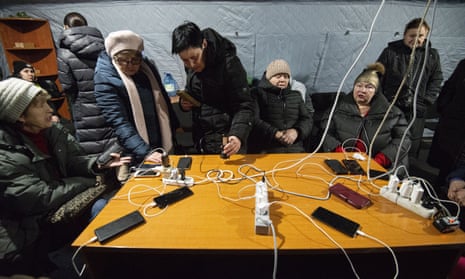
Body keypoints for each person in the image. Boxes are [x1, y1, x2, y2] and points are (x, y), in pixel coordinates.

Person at [0, 78, 131, 276]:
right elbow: (39, 197)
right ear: (20, 116)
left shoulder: (50, 131)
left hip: (60, 213)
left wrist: (95, 165)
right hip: (29, 236)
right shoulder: (5, 154)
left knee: (110, 209)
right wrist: (87, 182)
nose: (49, 109)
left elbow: (73, 161)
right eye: (40, 105)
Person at [94, 30, 179, 165]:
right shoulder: (105, 77)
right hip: (133, 148)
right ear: (114, 58)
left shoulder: (147, 68)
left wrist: (174, 125)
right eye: (123, 61)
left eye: (135, 60)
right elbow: (118, 121)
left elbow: (161, 96)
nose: (130, 66)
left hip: (158, 138)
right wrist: (145, 151)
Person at [171, 21, 254, 156]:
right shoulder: (191, 66)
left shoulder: (229, 65)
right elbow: (192, 90)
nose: (191, 64)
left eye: (194, 57)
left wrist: (237, 135)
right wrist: (185, 103)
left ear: (204, 44)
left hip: (227, 139)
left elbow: (244, 105)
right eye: (185, 60)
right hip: (202, 138)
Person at [321, 62, 411, 170]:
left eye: (369, 87)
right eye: (359, 86)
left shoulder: (393, 114)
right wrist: (340, 152)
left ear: (376, 92)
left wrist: (380, 160)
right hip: (343, 162)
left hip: (379, 167)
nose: (362, 90)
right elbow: (326, 132)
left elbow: (403, 140)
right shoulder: (337, 109)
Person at [377, 18, 443, 159]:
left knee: (409, 145)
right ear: (404, 35)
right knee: (388, 141)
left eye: (420, 36)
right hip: (392, 106)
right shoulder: (390, 52)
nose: (416, 39)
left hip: (416, 108)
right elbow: (377, 76)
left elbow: (436, 80)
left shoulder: (431, 55)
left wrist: (427, 101)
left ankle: (404, 174)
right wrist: (382, 101)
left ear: (425, 37)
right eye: (412, 35)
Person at [56, 12, 118, 155]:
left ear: (66, 27)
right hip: (110, 102)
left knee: (93, 150)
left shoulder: (64, 53)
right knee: (116, 147)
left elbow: (67, 86)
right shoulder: (105, 47)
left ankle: (100, 176)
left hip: (84, 108)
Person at [248, 59, 312, 153]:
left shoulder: (296, 95)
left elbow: (307, 119)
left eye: (286, 77)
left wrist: (296, 131)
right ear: (269, 78)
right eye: (278, 76)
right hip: (266, 149)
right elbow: (253, 119)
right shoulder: (257, 94)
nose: (282, 79)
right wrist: (276, 134)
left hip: (295, 148)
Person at [427, 59, 465, 190]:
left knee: (459, 165)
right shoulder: (464, 64)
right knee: (446, 164)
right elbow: (449, 87)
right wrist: (444, 107)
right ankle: (438, 192)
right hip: (453, 123)